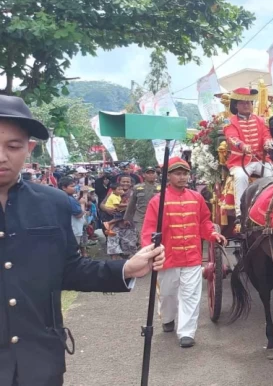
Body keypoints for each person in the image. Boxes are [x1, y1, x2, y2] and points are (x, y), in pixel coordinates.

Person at [0, 94, 165, 386]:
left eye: (12, 146)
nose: (2, 156)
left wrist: (125, 268)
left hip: (39, 363)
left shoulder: (52, 203)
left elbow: (69, 269)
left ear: (30, 148)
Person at [142, 157, 227, 348]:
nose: (182, 177)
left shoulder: (196, 198)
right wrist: (149, 252)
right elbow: (148, 230)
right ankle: (168, 318)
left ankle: (187, 332)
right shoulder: (158, 201)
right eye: (177, 174)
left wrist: (212, 234)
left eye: (185, 173)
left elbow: (204, 222)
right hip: (167, 258)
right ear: (169, 176)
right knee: (167, 295)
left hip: (192, 257)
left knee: (190, 294)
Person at [223, 87, 273, 224]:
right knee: (240, 177)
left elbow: (266, 135)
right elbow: (231, 137)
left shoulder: (261, 120)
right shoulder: (230, 121)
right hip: (239, 160)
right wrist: (242, 145)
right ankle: (241, 213)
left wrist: (268, 143)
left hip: (260, 159)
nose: (246, 105)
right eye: (242, 103)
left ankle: (270, 208)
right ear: (236, 105)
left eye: (249, 103)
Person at [123, 166, 161, 236]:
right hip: (141, 218)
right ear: (144, 175)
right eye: (148, 173)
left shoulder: (161, 188)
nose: (151, 175)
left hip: (156, 217)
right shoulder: (137, 188)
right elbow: (132, 203)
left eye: (153, 173)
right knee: (141, 238)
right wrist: (127, 218)